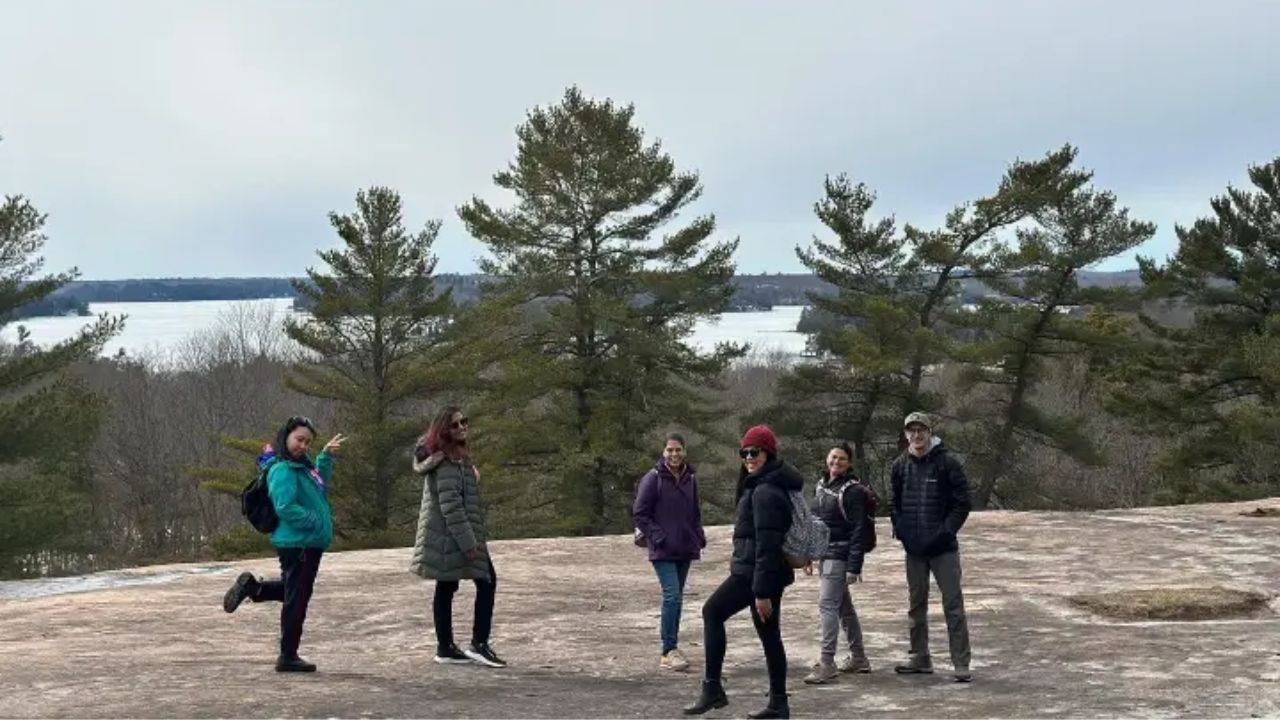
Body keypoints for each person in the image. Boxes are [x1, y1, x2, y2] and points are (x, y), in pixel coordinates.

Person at [684, 424, 801, 720]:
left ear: (768, 453)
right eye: (744, 452)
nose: (749, 457)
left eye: (755, 452)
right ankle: (778, 704)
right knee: (770, 636)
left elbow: (767, 545)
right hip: (761, 573)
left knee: (712, 612)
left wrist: (761, 592)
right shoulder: (764, 484)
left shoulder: (765, 491)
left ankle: (713, 689)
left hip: (755, 575)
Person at [222, 416, 345, 673]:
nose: (303, 445)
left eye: (308, 442)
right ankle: (288, 655)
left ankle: (252, 587)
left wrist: (325, 457)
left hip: (306, 542)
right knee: (297, 598)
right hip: (298, 543)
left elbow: (317, 486)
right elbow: (285, 507)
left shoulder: (301, 466)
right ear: (285, 438)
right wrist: (314, 520)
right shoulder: (283, 470)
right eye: (299, 439)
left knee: (294, 591)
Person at [410, 405, 505, 668]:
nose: (462, 427)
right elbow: (451, 506)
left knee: (447, 585)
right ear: (444, 430)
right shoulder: (446, 462)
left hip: (448, 535)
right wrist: (469, 543)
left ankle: (446, 647)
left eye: (464, 422)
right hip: (449, 536)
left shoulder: (457, 457)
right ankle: (478, 644)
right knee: (485, 580)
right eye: (455, 425)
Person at [890, 411, 973, 683]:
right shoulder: (899, 465)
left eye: (921, 429)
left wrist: (945, 532)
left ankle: (960, 662)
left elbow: (963, 503)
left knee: (953, 605)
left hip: (943, 549)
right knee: (916, 605)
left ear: (929, 432)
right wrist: (902, 533)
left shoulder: (947, 463)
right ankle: (920, 657)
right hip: (914, 549)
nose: (917, 435)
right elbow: (895, 504)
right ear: (906, 435)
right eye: (911, 430)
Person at [632, 432, 707, 673]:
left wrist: (698, 535)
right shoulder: (653, 479)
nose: (674, 454)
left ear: (684, 451)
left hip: (685, 548)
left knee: (677, 598)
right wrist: (657, 536)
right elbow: (640, 514)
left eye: (678, 450)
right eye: (670, 450)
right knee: (672, 595)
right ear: (663, 452)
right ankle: (668, 650)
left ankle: (672, 646)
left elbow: (695, 512)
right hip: (663, 550)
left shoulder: (690, 479)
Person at [802, 442, 872, 684]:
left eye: (842, 459)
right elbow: (814, 522)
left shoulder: (852, 492)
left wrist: (854, 566)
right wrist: (808, 554)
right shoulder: (822, 486)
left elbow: (858, 531)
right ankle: (859, 658)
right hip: (824, 554)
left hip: (838, 556)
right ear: (826, 459)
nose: (836, 462)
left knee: (827, 606)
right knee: (843, 608)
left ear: (849, 463)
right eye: (833, 457)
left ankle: (827, 662)